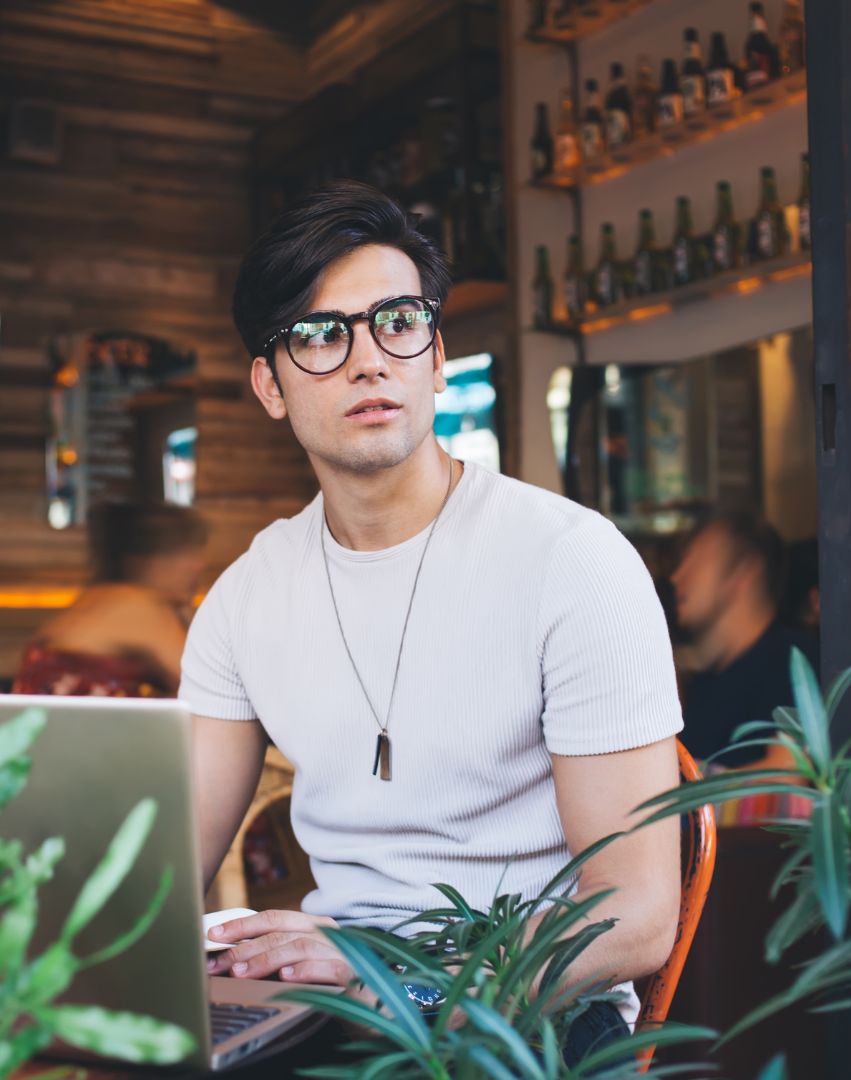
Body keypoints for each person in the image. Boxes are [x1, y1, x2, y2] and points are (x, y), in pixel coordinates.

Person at [180, 181, 683, 1069]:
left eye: (397, 322)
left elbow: (636, 916)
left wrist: (394, 976)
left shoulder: (574, 562)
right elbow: (166, 872)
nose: (369, 360)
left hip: (527, 1004)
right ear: (269, 384)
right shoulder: (245, 597)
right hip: (331, 997)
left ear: (436, 355)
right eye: (319, 335)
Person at [670, 512, 819, 770]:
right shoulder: (706, 682)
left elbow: (786, 776)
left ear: (743, 572)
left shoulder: (793, 664)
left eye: (696, 561)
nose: (676, 576)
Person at [14, 502, 207, 697]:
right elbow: (205, 685)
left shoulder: (101, 598)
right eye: (185, 553)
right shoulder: (137, 606)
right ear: (147, 562)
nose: (198, 565)